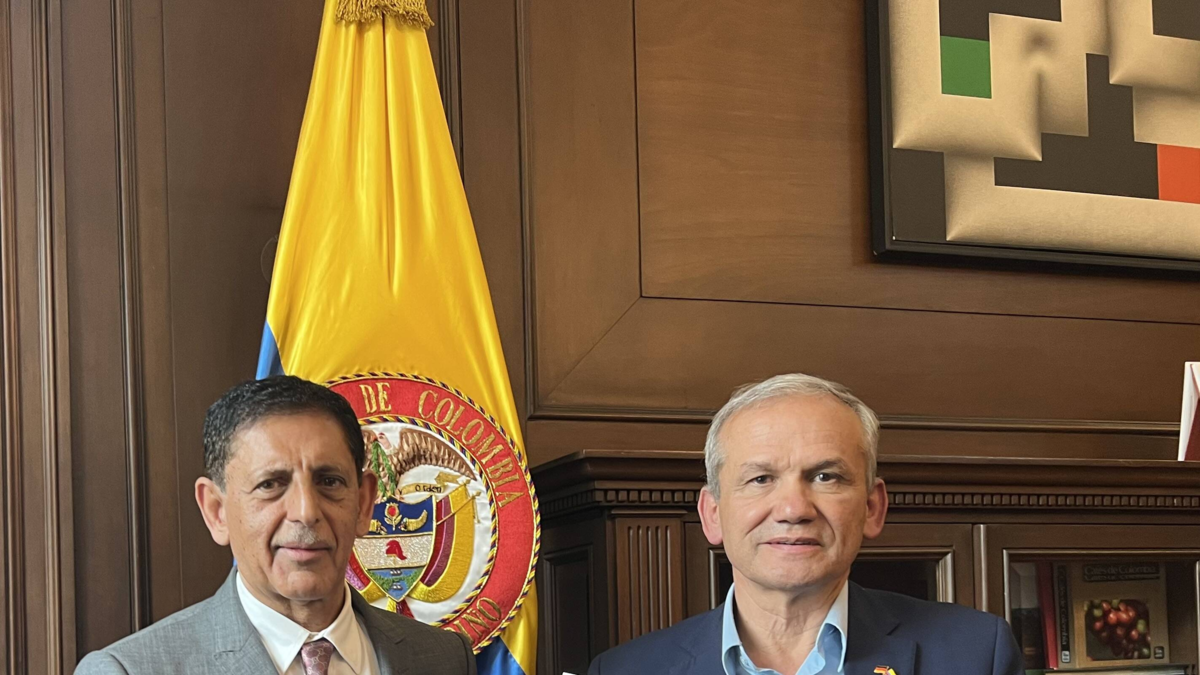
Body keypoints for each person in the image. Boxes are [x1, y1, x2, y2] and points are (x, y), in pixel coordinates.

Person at [588, 373, 1021, 675]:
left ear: (872, 507)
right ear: (713, 514)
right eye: (761, 479)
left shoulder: (976, 654)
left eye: (825, 477)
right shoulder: (625, 670)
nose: (794, 509)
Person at [76, 376, 475, 675]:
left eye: (329, 481)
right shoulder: (128, 670)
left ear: (364, 503)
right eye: (271, 484)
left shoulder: (445, 660)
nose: (306, 511)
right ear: (216, 511)